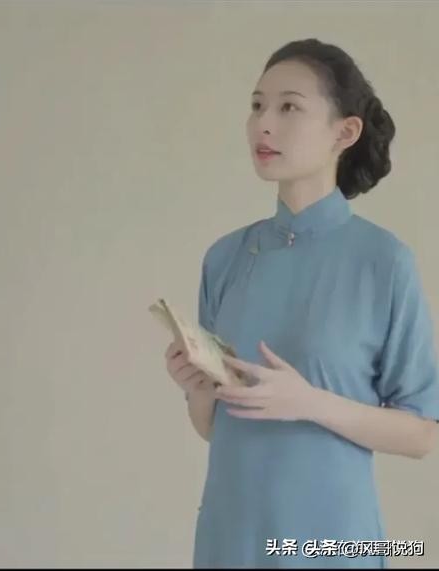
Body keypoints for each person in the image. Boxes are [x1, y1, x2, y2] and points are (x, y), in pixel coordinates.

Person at [164, 38, 439, 569]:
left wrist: (310, 402)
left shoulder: (383, 262)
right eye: (257, 106)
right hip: (231, 539)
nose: (263, 124)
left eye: (289, 107)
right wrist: (197, 389)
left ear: (345, 132)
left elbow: (423, 434)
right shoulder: (225, 257)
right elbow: (217, 428)